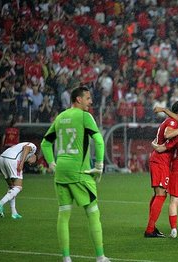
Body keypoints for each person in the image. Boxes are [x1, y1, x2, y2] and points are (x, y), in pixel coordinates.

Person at [41, 86, 110, 262]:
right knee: (93, 212)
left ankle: (66, 258)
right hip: (80, 172)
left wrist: (51, 163)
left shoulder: (61, 117)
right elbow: (99, 141)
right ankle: (100, 257)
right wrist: (100, 165)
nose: (91, 101)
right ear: (78, 99)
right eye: (88, 98)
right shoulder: (85, 116)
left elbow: (45, 144)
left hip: (61, 171)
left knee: (63, 214)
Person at [144, 102, 178, 238]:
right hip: (161, 161)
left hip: (160, 160)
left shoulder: (171, 120)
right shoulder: (172, 123)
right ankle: (149, 229)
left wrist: (164, 110)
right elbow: (167, 134)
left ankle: (152, 227)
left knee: (157, 195)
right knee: (161, 195)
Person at [0, 142, 37, 219]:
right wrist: (22, 163)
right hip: (12, 159)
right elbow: (27, 148)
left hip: (2, 158)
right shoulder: (34, 148)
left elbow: (14, 147)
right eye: (32, 163)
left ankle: (14, 213)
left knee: (12, 187)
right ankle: (0, 203)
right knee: (18, 187)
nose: (30, 164)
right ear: (34, 157)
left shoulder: (19, 145)